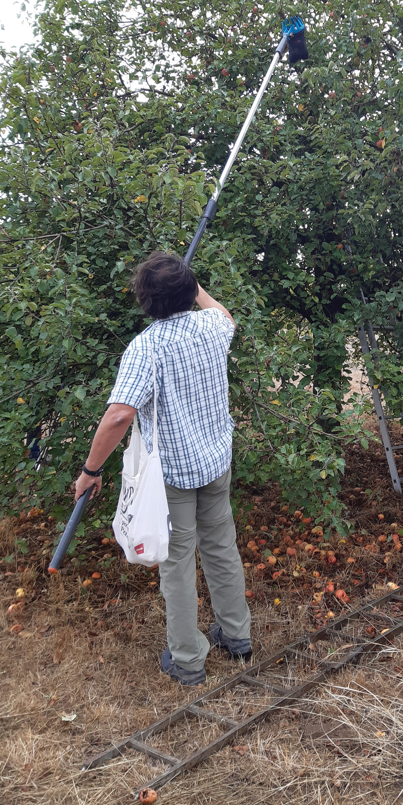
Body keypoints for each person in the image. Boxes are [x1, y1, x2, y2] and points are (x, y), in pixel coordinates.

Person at [73, 252, 251, 685]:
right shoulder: (211, 327)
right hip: (214, 461)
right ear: (190, 293)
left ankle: (188, 660)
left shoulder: (146, 348)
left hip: (172, 474)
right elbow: (223, 313)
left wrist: (91, 470)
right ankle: (236, 635)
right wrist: (193, 287)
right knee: (221, 547)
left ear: (144, 302)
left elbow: (119, 416)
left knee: (176, 562)